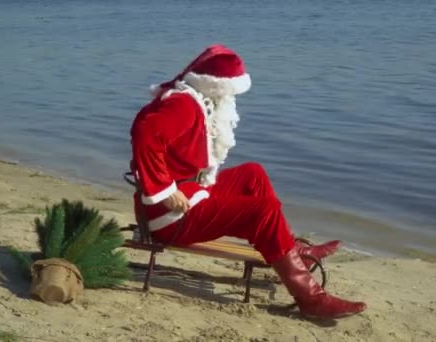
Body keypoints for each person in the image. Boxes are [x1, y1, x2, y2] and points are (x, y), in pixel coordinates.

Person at [129, 44, 367, 319]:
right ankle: (310, 297)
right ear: (217, 85)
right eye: (231, 90)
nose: (233, 96)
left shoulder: (196, 100)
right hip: (168, 216)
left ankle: (291, 249)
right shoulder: (183, 105)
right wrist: (164, 190)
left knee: (252, 173)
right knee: (262, 209)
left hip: (190, 190)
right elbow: (144, 134)